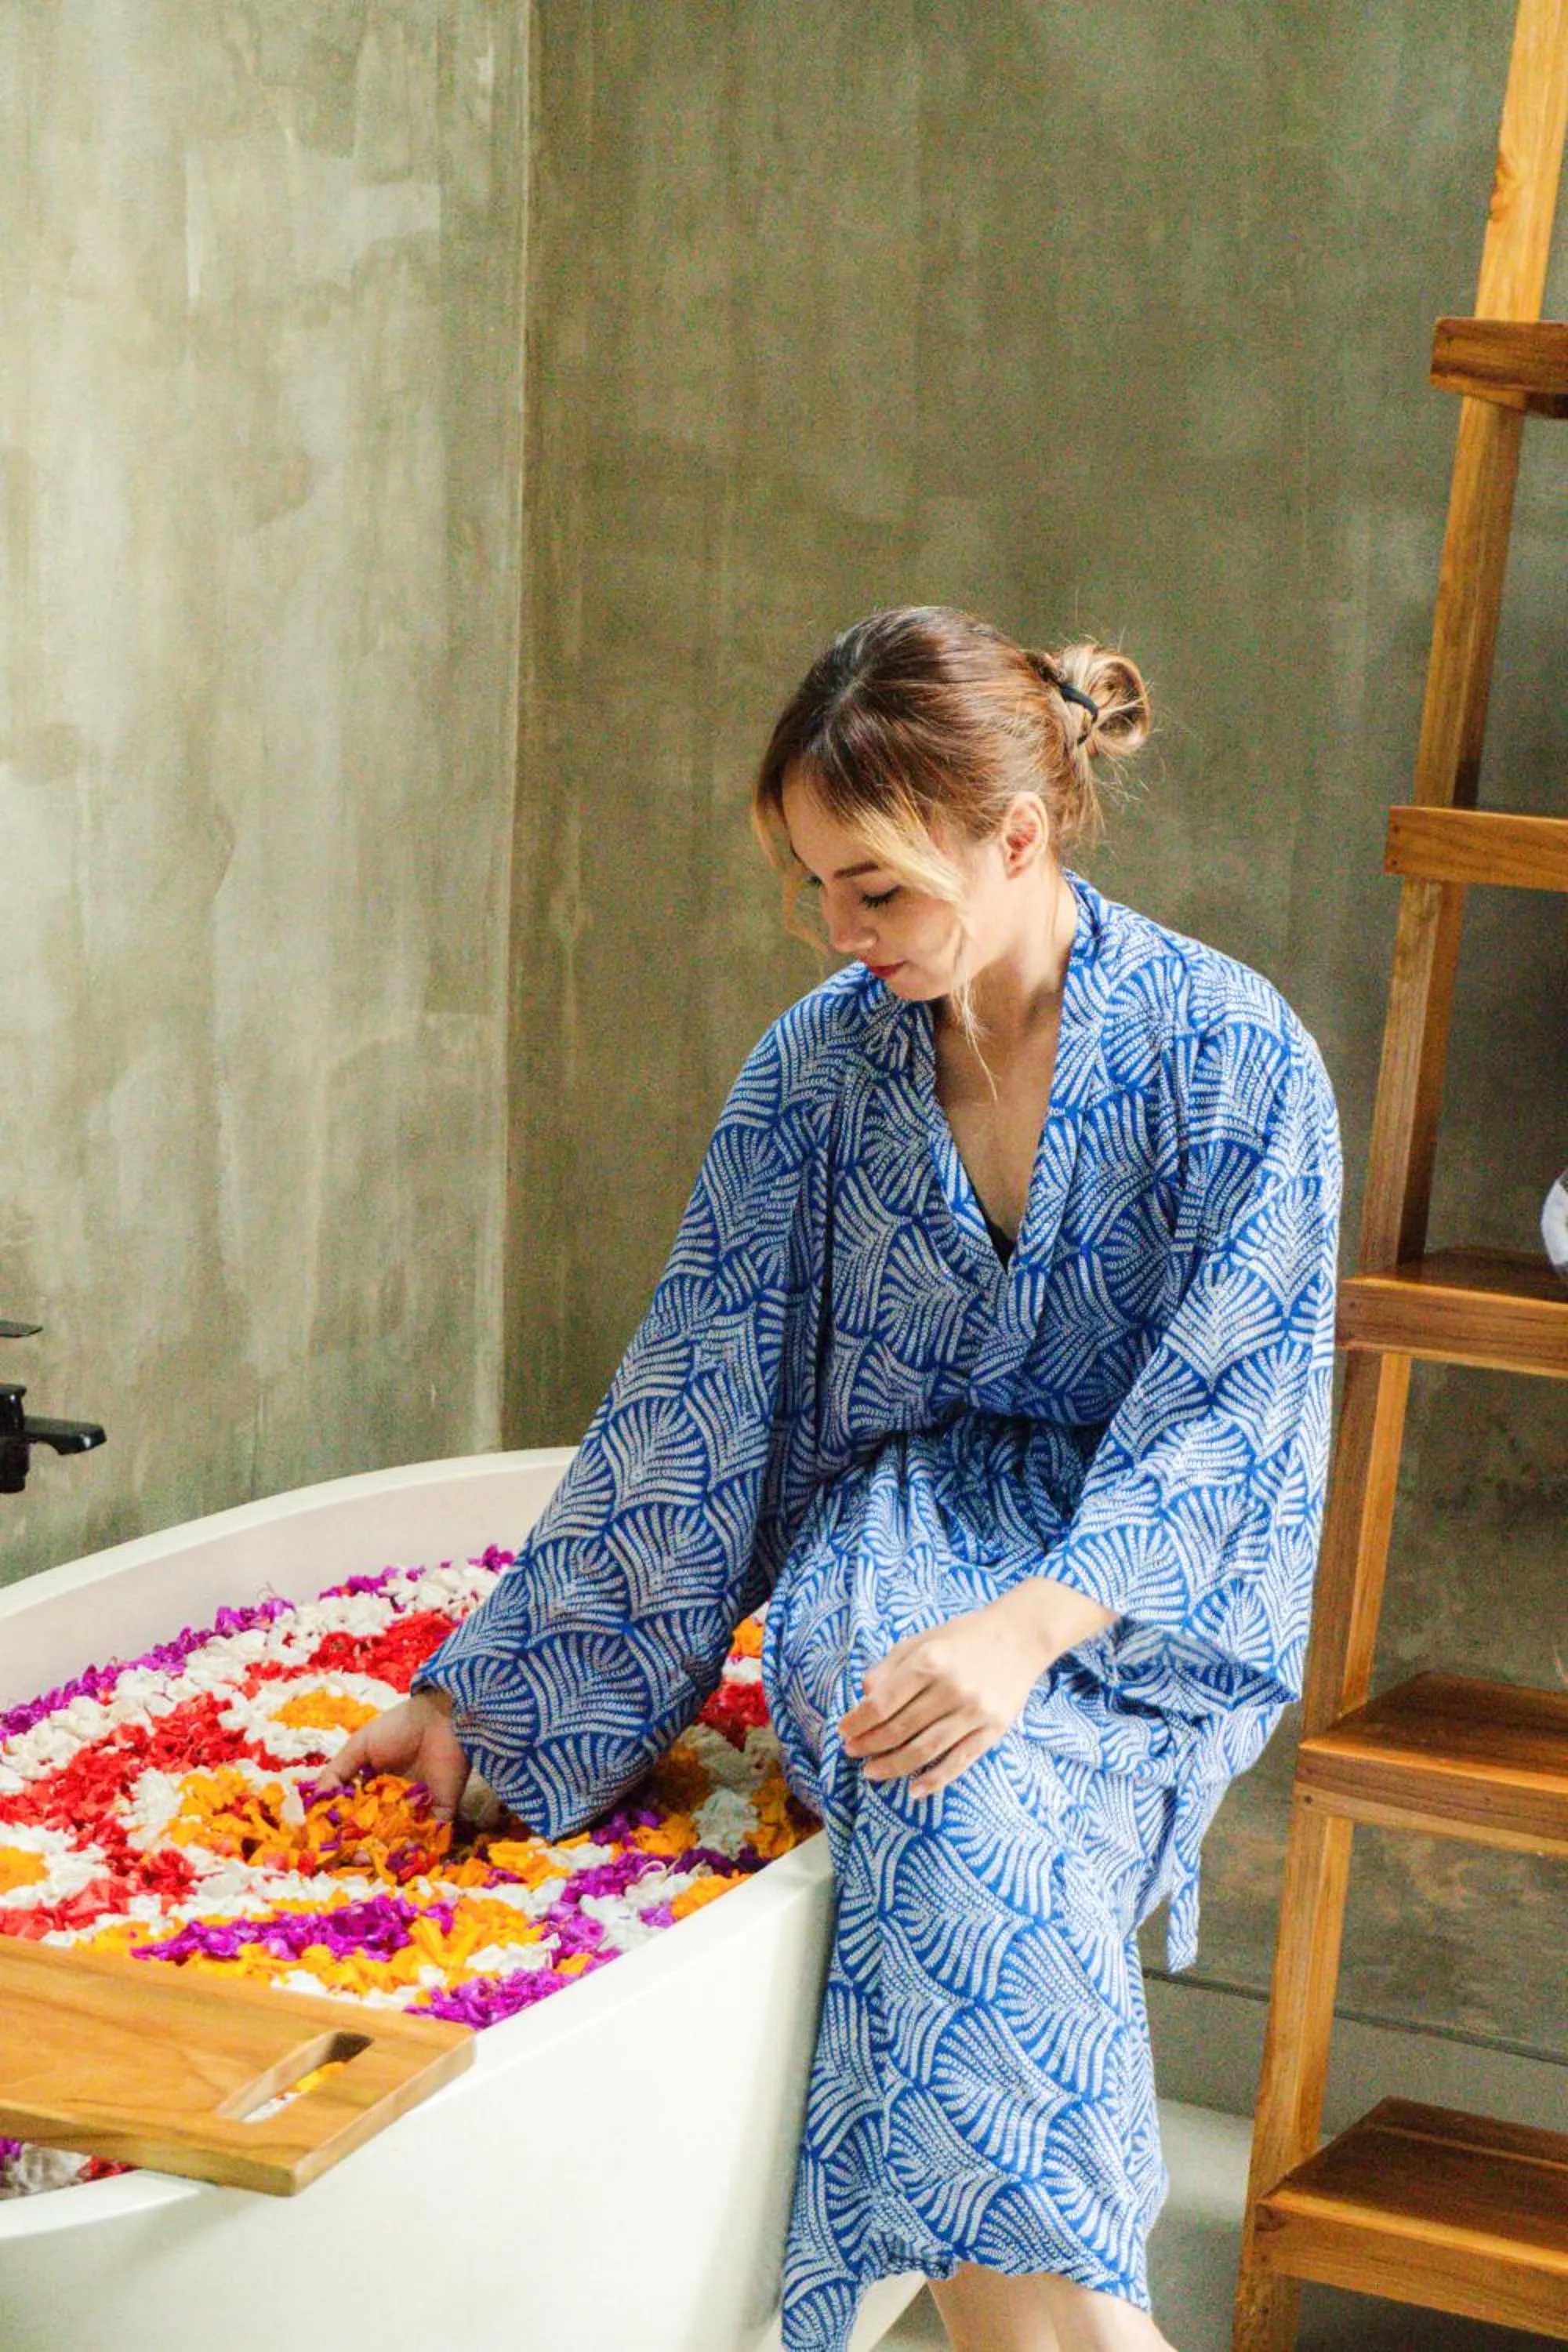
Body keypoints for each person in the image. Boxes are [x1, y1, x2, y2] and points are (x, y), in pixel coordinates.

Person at [317, 605, 1344, 2352]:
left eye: (873, 890)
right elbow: (690, 1406)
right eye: (810, 887)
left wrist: (1026, 1632)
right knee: (938, 1774)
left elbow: (1233, 1428)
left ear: (1017, 838)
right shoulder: (815, 1074)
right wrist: (483, 1706)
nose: (834, 932)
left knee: (982, 1793)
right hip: (909, 1533)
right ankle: (1086, 2338)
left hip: (1137, 1592)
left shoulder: (1235, 1059)